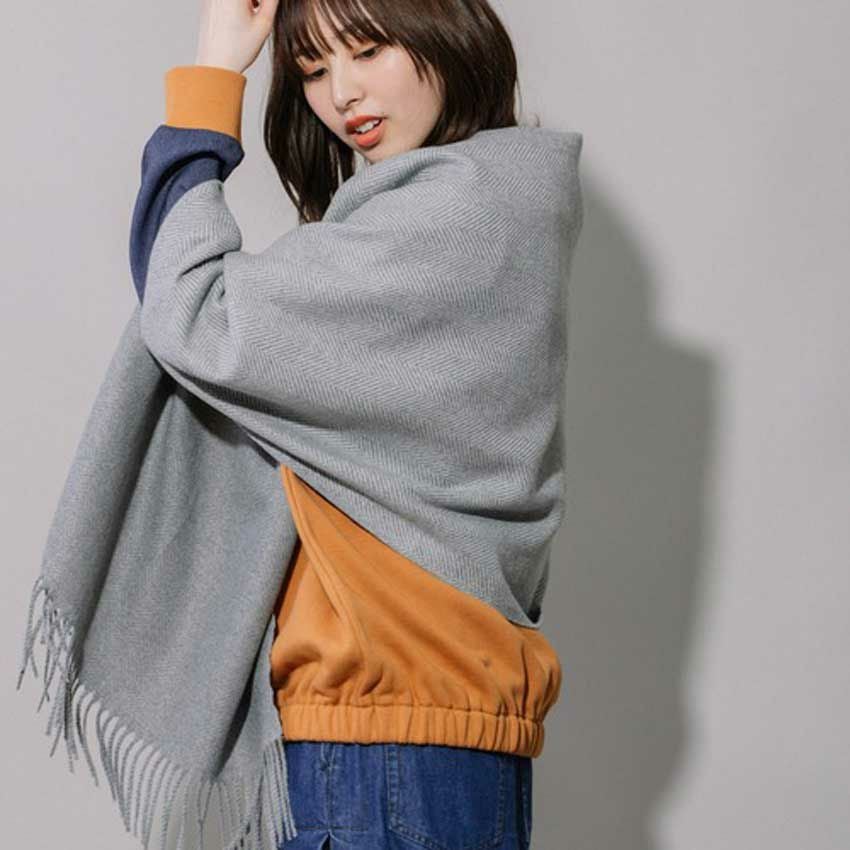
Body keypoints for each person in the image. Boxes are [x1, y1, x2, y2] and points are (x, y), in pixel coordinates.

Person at [19, 1, 581, 848]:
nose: (341, 93)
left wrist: (214, 76)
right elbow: (196, 319)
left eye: (369, 49)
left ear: (446, 29)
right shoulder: (496, 208)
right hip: (425, 742)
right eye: (314, 70)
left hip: (383, 754)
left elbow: (191, 312)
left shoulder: (460, 213)